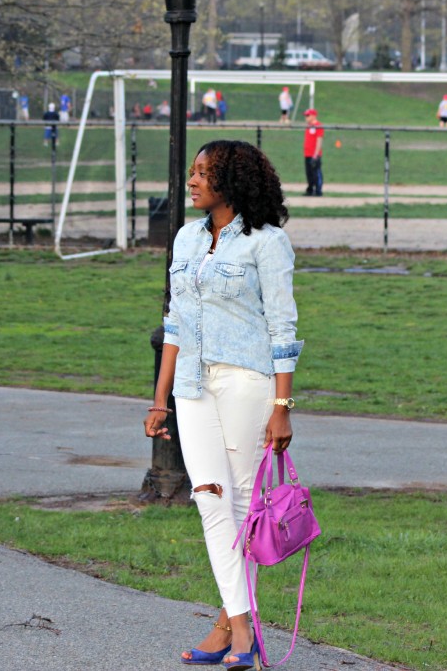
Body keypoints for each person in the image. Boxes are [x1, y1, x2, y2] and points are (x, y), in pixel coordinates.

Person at [143, 139, 303, 671]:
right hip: (191, 385)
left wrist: (282, 403)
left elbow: (283, 327)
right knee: (210, 501)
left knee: (240, 506)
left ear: (230, 182)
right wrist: (159, 399)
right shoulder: (187, 238)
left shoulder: (267, 243)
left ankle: (232, 628)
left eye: (203, 173)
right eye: (192, 172)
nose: (191, 181)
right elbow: (174, 323)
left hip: (247, 382)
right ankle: (241, 627)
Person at [303, 108, 324, 196]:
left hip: (314, 155)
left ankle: (318, 190)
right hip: (307, 154)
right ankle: (310, 189)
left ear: (313, 116)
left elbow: (319, 141)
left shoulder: (318, 126)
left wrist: (315, 155)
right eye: (306, 116)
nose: (306, 117)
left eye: (308, 116)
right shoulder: (309, 126)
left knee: (316, 173)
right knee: (309, 173)